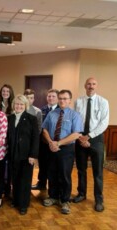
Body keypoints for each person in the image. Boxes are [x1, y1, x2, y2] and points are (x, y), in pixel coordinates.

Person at [42, 90, 82, 215]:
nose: (62, 101)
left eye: (65, 98)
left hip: (66, 149)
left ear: (70, 100)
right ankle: (53, 197)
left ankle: (65, 200)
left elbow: (76, 134)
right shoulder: (52, 114)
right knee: (52, 173)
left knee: (65, 175)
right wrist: (51, 142)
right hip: (52, 147)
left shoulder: (75, 115)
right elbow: (44, 129)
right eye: (60, 98)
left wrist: (59, 143)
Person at [73, 77, 109, 212]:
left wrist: (89, 136)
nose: (91, 86)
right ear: (84, 85)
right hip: (80, 138)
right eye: (89, 84)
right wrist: (80, 137)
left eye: (94, 84)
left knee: (97, 172)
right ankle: (81, 194)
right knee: (81, 170)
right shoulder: (78, 101)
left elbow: (104, 123)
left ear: (97, 86)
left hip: (96, 140)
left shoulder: (103, 102)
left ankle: (99, 199)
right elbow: (75, 120)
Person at [7, 94, 39, 215]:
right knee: (14, 179)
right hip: (13, 154)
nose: (19, 106)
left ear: (25, 105)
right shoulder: (10, 118)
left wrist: (33, 155)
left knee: (25, 180)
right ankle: (15, 200)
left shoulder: (32, 118)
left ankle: (24, 204)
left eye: (21, 104)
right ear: (13, 105)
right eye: (17, 104)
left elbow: (36, 138)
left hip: (27, 156)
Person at [32, 89, 59, 190]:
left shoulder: (61, 110)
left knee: (53, 166)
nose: (51, 98)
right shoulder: (41, 110)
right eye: (49, 96)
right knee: (42, 164)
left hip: (55, 143)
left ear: (57, 98)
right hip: (43, 143)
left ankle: (53, 187)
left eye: (53, 96)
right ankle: (41, 183)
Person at [0, 84, 15, 197]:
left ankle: (8, 187)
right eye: (3, 91)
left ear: (10, 93)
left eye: (7, 91)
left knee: (9, 163)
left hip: (10, 137)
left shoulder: (13, 105)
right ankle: (1, 187)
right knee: (1, 164)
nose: (5, 93)